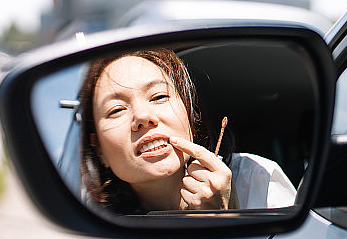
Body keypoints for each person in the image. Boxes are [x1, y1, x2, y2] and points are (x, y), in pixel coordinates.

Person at [78, 47, 295, 214]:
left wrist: (226, 218)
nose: (143, 117)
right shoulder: (89, 221)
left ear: (190, 115)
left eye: (159, 97)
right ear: (99, 151)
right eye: (117, 110)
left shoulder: (257, 181)